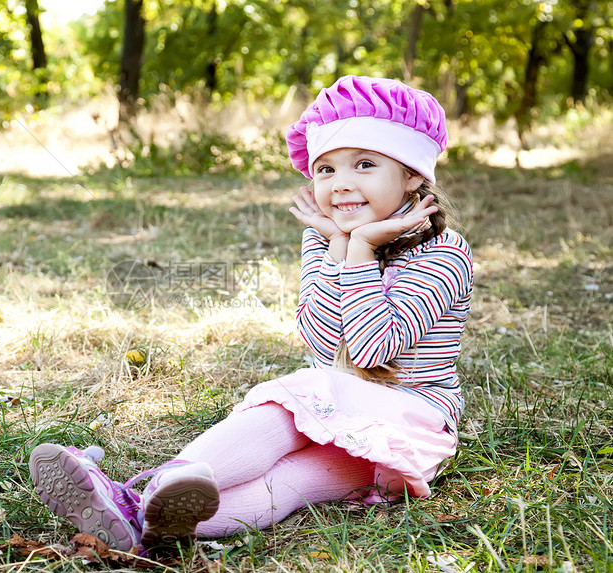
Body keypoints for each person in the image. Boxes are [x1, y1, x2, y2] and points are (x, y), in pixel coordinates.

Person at [27, 75, 474, 555]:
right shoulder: (326, 237)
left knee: (292, 480)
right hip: (335, 397)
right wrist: (337, 245)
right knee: (276, 420)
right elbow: (324, 347)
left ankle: (129, 501)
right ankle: (139, 518)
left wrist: (359, 249)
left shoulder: (443, 253)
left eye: (364, 164)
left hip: (409, 423)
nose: (341, 183)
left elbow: (369, 351)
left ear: (411, 175)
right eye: (325, 169)